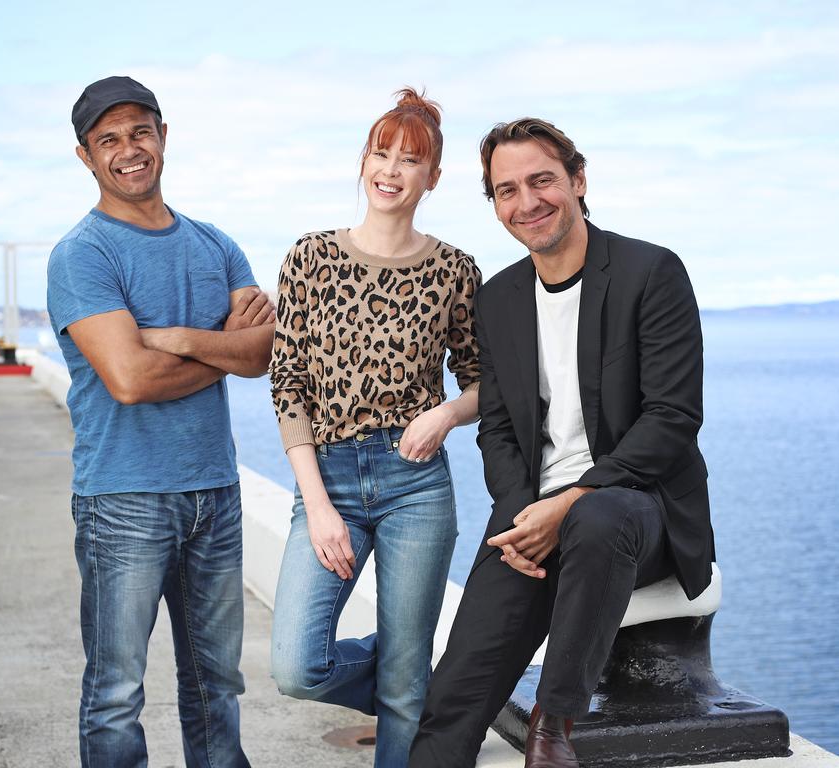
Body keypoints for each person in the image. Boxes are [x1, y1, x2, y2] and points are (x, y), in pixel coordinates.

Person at [408, 118, 714, 768]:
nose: (527, 202)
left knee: (598, 516)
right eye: (506, 190)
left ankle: (554, 724)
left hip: (639, 511)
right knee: (451, 706)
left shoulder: (650, 272)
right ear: (493, 204)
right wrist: (525, 512)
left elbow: (672, 419)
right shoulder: (497, 300)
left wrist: (569, 501)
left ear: (577, 180)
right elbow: (496, 429)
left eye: (542, 180)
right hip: (534, 516)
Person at [46, 75, 273, 768]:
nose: (128, 150)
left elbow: (262, 352)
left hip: (215, 492)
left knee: (217, 687)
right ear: (86, 157)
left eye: (139, 132)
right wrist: (220, 349)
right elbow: (130, 379)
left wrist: (174, 338)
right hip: (124, 499)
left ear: (163, 136)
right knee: (116, 691)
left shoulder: (215, 244)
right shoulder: (83, 254)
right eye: (107, 140)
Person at [268, 88, 482, 767]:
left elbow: (484, 380)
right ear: (363, 161)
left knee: (402, 693)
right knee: (298, 667)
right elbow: (288, 387)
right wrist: (320, 506)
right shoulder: (310, 258)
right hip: (326, 475)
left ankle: (408, 676)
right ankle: (409, 670)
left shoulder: (454, 270)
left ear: (433, 178)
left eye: (409, 160)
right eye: (380, 152)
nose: (390, 169)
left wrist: (446, 413)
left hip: (415, 483)